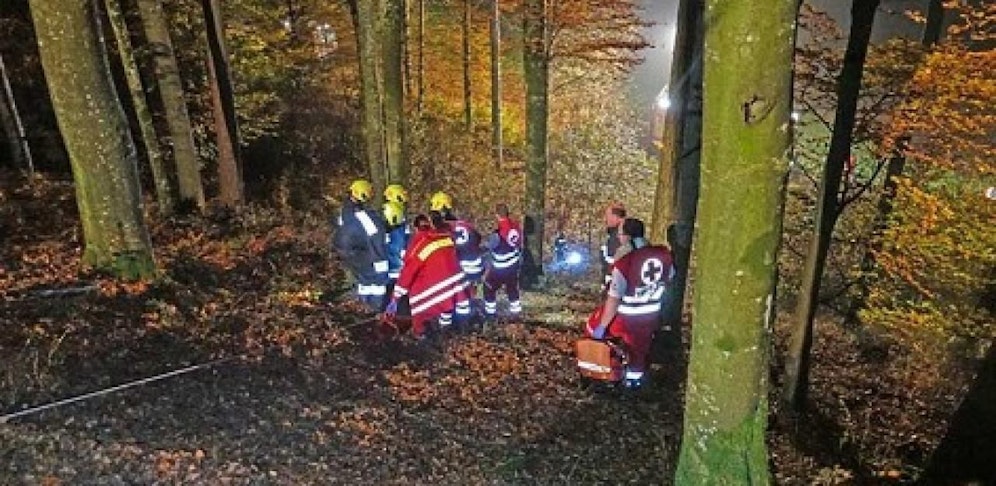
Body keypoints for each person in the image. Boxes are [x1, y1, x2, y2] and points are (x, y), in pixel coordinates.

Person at [585, 218, 674, 390]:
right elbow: (669, 277)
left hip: (627, 318)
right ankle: (634, 381)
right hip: (652, 315)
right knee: (640, 349)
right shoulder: (663, 255)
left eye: (620, 234)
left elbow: (614, 298)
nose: (619, 238)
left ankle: (608, 374)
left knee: (593, 327)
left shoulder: (625, 261)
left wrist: (601, 326)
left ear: (627, 236)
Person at [384, 211, 468, 340]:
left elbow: (410, 269)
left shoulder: (423, 242)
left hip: (438, 283)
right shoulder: (447, 237)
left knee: (418, 305)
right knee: (446, 307)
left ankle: (420, 335)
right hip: (457, 282)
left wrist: (395, 297)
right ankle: (446, 332)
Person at [332, 179, 391, 311]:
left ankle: (363, 307)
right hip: (362, 254)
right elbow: (377, 241)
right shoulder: (365, 218)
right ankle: (375, 309)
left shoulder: (344, 212)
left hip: (349, 253)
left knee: (363, 280)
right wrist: (381, 265)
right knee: (377, 284)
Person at [431, 191, 484, 327]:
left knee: (450, 295)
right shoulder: (464, 224)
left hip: (460, 269)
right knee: (465, 297)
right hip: (475, 267)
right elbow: (478, 238)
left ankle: (447, 327)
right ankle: (465, 323)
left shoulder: (443, 230)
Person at [482, 203, 523, 321]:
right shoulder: (516, 226)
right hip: (513, 264)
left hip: (500, 267)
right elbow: (518, 244)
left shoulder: (498, 232)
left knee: (488, 287)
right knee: (512, 288)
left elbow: (490, 247)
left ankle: (490, 314)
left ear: (497, 215)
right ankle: (516, 314)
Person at [600, 202, 627, 287]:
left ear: (616, 217)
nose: (606, 219)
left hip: (614, 285)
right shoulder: (613, 234)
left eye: (608, 216)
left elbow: (614, 263)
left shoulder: (620, 237)